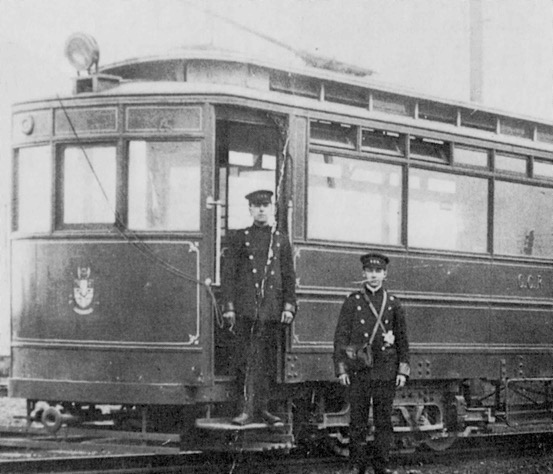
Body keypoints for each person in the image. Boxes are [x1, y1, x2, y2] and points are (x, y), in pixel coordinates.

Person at [221, 189, 297, 426]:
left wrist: (288, 305)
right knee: (245, 360)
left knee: (267, 362)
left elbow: (288, 275)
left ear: (272, 208)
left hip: (272, 310)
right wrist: (229, 306)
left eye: (266, 205)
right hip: (246, 309)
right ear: (250, 210)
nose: (262, 209)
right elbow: (229, 275)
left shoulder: (281, 239)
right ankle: (244, 410)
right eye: (257, 205)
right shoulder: (239, 237)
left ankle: (264, 409)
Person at [333, 252, 410, 474]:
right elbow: (341, 337)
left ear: (385, 274)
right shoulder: (353, 301)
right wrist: (341, 368)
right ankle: (356, 465)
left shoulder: (393, 304)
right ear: (363, 273)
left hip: (386, 371)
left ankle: (381, 465)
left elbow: (403, 340)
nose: (373, 275)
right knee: (357, 421)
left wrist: (402, 370)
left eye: (378, 271)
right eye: (370, 271)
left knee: (383, 421)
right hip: (359, 370)